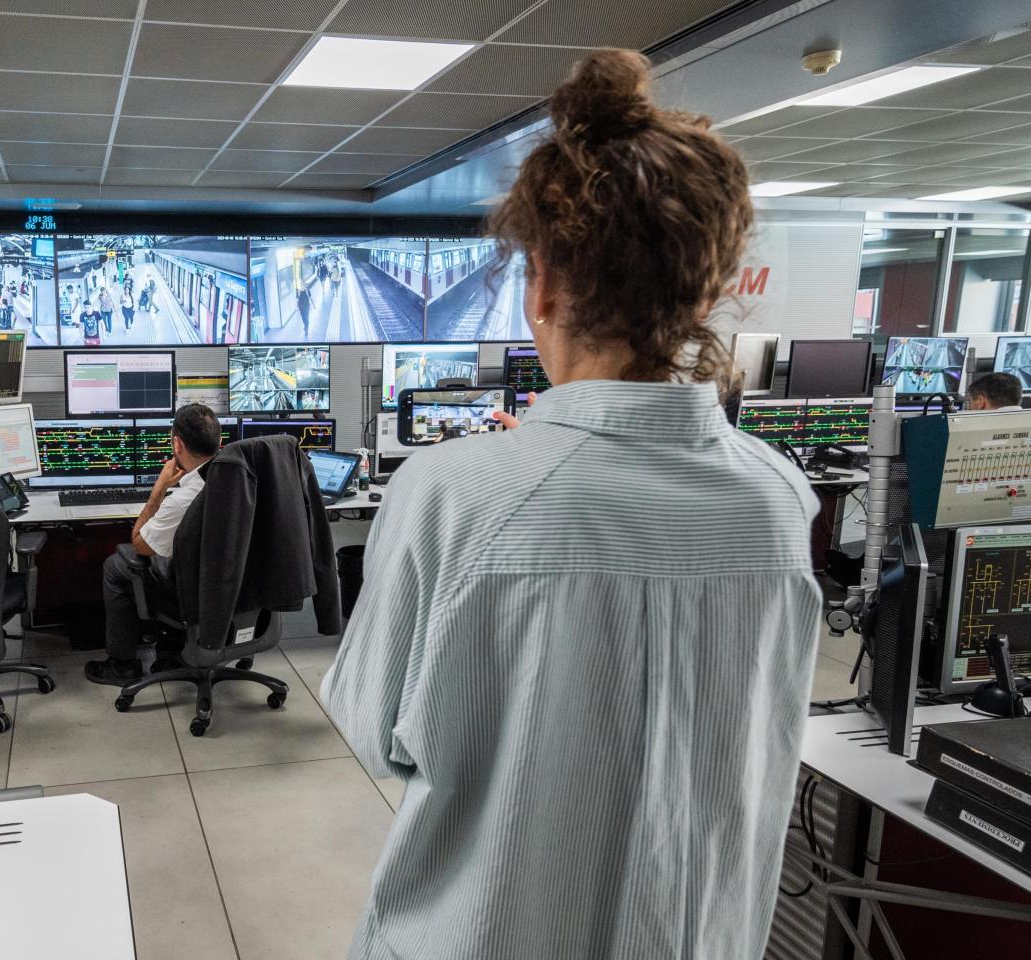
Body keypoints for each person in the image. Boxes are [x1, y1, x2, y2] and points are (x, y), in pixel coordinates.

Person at [320, 49, 822, 960]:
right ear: (708, 290)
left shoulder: (449, 494)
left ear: (542, 284)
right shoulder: (781, 499)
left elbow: (377, 736)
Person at [85, 404, 220, 686]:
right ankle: (171, 651)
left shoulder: (183, 500)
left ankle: (122, 665)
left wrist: (158, 489)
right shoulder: (242, 482)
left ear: (177, 444)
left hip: (194, 596)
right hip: (232, 586)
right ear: (220, 442)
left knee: (117, 565)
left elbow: (140, 545)